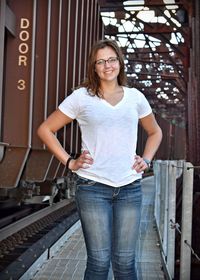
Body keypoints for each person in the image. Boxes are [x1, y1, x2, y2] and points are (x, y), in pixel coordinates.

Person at [37, 39, 162, 280]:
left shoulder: (135, 97)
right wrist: (70, 161)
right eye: (101, 61)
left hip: (130, 188)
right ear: (94, 67)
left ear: (120, 62)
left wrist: (146, 160)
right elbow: (45, 129)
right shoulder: (81, 97)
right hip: (93, 188)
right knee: (99, 262)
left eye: (112, 59)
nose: (107, 66)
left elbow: (155, 132)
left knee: (126, 262)